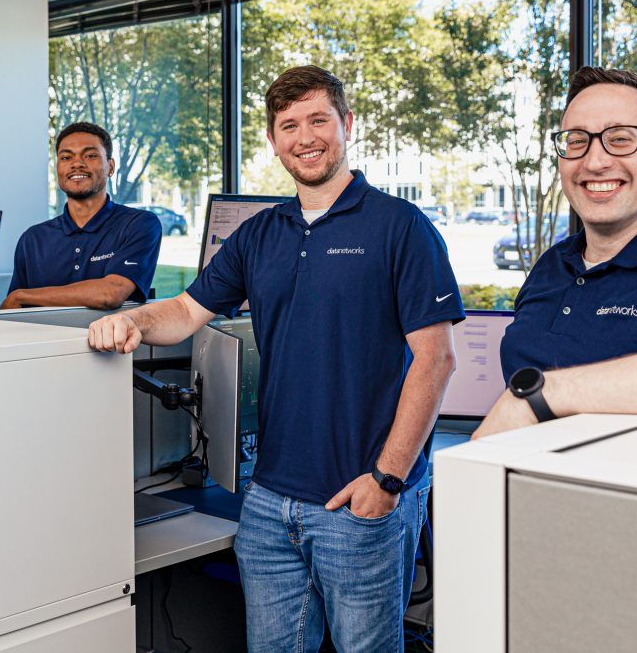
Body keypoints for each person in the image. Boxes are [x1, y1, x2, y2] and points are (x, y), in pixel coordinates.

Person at [88, 66, 463, 651]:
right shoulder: (261, 234)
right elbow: (186, 312)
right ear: (273, 139)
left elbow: (435, 361)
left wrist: (387, 481)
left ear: (346, 125)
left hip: (359, 499)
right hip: (268, 503)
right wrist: (130, 319)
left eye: (318, 120)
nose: (304, 137)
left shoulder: (400, 227)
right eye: (289, 125)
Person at [474, 67, 637, 439]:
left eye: (621, 139)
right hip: (515, 491)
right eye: (577, 141)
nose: (595, 162)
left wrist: (540, 396)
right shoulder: (551, 266)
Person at [0, 122, 162, 310]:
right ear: (58, 169)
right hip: (46, 340)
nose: (77, 163)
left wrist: (21, 296)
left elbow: (111, 293)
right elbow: (14, 316)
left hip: (111, 340)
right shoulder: (33, 239)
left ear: (110, 166)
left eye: (90, 155)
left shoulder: (139, 225)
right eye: (66, 157)